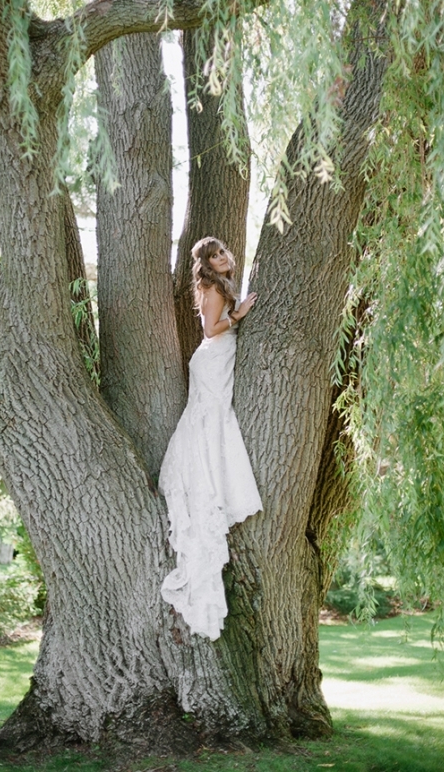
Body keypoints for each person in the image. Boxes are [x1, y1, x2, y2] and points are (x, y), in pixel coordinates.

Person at [159, 236, 263, 640]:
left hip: (217, 358)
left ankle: (214, 479)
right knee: (211, 422)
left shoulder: (218, 284)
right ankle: (211, 484)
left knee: (213, 422)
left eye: (224, 252)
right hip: (214, 358)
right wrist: (238, 315)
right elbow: (211, 328)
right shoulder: (212, 288)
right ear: (206, 263)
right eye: (215, 255)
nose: (224, 258)